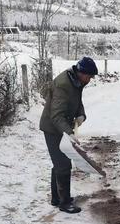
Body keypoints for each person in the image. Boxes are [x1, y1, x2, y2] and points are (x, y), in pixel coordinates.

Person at [39, 57, 98, 214]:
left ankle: (56, 198)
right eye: (89, 76)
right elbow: (56, 115)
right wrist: (69, 133)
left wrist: (81, 115)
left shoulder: (77, 81)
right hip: (53, 128)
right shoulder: (63, 84)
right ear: (82, 72)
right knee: (63, 164)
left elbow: (77, 101)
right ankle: (64, 203)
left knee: (59, 162)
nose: (90, 80)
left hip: (61, 126)